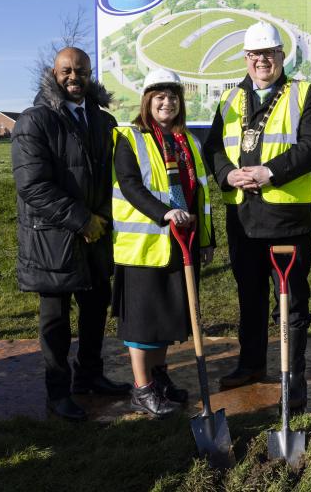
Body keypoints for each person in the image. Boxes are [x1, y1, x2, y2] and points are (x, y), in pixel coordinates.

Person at [204, 21, 311, 409]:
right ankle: (251, 365)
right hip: (242, 219)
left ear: (280, 56)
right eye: (255, 55)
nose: (261, 61)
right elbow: (213, 149)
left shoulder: (303, 93)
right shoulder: (229, 99)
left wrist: (267, 172)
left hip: (286, 218)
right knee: (248, 297)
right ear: (246, 58)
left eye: (268, 54)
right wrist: (227, 174)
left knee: (290, 303)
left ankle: (294, 378)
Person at [12, 47, 130, 422]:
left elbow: (117, 178)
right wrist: (82, 220)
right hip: (53, 239)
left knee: (95, 311)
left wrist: (104, 219)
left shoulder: (104, 120)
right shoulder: (35, 121)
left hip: (96, 236)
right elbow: (32, 185)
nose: (74, 77)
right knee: (56, 323)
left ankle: (90, 377)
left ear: (90, 73)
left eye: (80, 70)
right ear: (54, 72)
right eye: (66, 70)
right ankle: (58, 392)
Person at [112, 68, 215, 418]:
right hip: (144, 247)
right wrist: (164, 213)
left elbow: (199, 193)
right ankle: (142, 390)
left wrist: (205, 239)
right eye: (159, 96)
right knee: (142, 323)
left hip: (179, 244)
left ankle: (158, 379)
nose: (166, 102)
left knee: (166, 321)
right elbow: (130, 185)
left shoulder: (187, 142)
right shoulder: (131, 137)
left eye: (172, 96)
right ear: (147, 101)